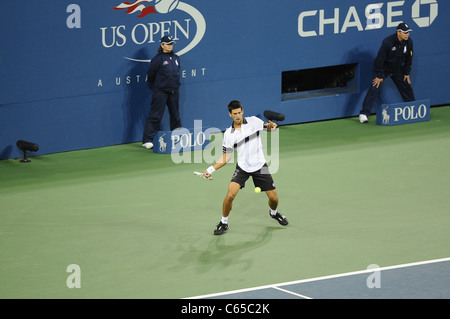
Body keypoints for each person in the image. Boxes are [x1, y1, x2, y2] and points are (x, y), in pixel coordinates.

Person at [203, 100, 289, 235]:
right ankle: (224, 222)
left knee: (274, 198)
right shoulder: (228, 134)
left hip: (260, 165)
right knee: (230, 195)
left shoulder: (254, 121)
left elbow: (269, 129)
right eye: (235, 113)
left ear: (242, 111)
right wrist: (210, 169)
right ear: (230, 114)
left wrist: (272, 126)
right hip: (243, 167)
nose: (238, 116)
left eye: (239, 112)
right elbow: (227, 156)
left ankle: (274, 213)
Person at [359, 22, 416, 123]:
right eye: (405, 32)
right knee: (374, 87)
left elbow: (409, 58)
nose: (407, 34)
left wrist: (406, 73)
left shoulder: (409, 42)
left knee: (406, 86)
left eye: (408, 32)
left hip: (398, 69)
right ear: (398, 33)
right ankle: (364, 114)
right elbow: (379, 60)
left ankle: (413, 110)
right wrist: (379, 75)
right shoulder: (388, 42)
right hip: (384, 69)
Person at [142, 36, 182, 149]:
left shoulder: (176, 58)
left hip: (174, 91)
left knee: (175, 115)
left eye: (171, 44)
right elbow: (151, 75)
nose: (170, 45)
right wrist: (158, 86)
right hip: (161, 92)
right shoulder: (157, 59)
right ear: (162, 45)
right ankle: (147, 139)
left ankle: (178, 137)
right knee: (155, 115)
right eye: (168, 44)